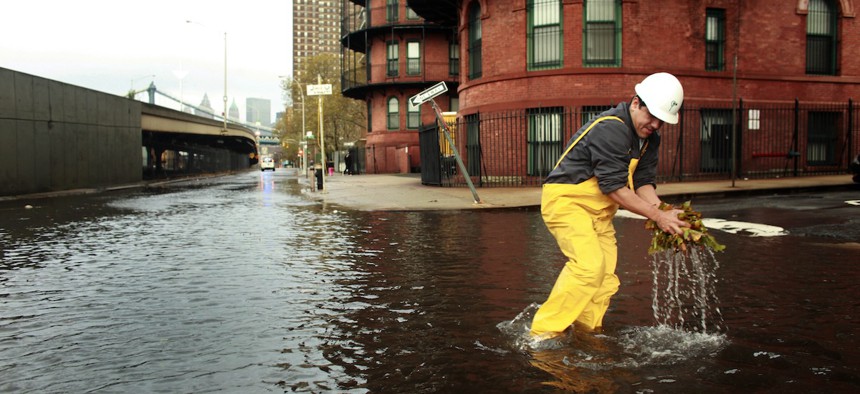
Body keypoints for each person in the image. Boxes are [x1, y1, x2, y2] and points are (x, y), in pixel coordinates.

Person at [530, 72, 690, 340]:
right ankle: (542, 334)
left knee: (604, 278)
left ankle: (586, 332)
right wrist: (656, 216)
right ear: (636, 102)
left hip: (600, 213)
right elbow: (614, 187)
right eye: (651, 116)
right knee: (588, 267)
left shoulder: (651, 139)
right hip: (567, 203)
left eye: (661, 121)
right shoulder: (611, 127)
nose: (654, 124)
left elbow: (643, 183)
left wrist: (667, 215)